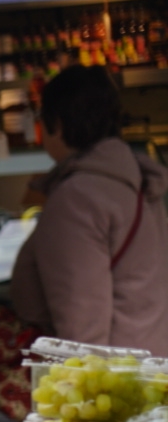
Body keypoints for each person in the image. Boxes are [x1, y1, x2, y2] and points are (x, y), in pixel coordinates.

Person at [11, 65, 168, 354]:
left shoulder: (77, 198)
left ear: (55, 123)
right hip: (148, 369)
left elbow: (81, 322)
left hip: (113, 383)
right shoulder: (139, 182)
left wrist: (83, 389)